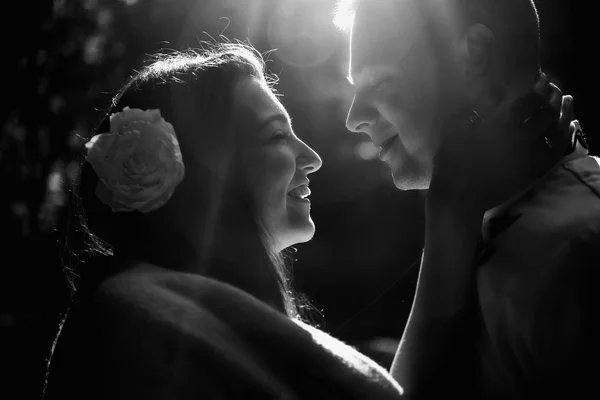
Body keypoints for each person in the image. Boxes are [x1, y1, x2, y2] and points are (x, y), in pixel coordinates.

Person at [42, 42, 406, 399]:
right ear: (203, 179)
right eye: (278, 135)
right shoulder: (139, 334)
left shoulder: (151, 318)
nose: (312, 158)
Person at [335, 0, 598, 398]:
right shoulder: (485, 228)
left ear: (472, 56)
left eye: (379, 82)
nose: (354, 118)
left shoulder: (579, 251)